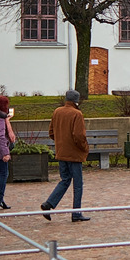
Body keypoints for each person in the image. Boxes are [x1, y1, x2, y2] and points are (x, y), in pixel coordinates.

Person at [40, 90, 90, 222]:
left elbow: (51, 132)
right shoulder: (77, 114)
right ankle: (76, 213)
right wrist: (85, 148)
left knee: (65, 180)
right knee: (78, 184)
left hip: (61, 152)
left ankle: (49, 203)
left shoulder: (57, 111)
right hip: (74, 154)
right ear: (76, 100)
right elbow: (79, 136)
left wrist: (61, 142)